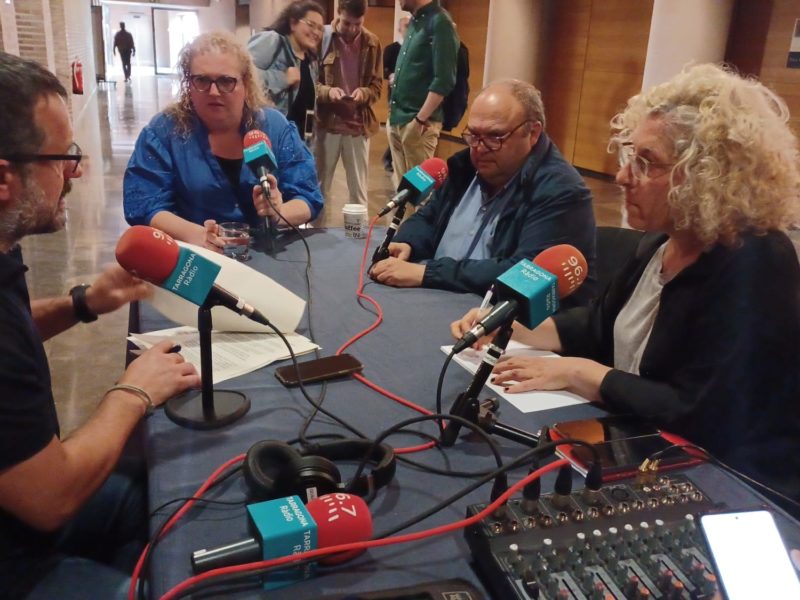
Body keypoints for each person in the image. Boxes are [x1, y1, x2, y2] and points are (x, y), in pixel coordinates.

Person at [452, 64, 800, 508]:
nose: (621, 177)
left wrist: (583, 373)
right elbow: (601, 324)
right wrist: (515, 328)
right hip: (644, 444)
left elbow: (701, 411)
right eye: (629, 156)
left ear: (708, 174)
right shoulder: (661, 240)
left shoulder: (755, 260)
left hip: (735, 485)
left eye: (646, 162)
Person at [0, 52, 200, 599]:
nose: (78, 170)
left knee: (177, 503)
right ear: (4, 179)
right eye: (63, 156)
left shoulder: (3, 246)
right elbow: (51, 499)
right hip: (18, 561)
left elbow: (15, 329)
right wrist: (133, 391)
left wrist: (85, 302)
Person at [371, 79, 597, 302]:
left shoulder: (561, 192)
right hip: (432, 297)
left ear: (533, 133)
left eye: (494, 137)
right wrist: (408, 243)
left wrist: (428, 273)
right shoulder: (464, 167)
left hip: (486, 317)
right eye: (473, 135)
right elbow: (429, 218)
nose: (478, 148)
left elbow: (524, 275)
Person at [124, 31, 323, 249]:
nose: (213, 91)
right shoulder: (163, 131)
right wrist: (195, 234)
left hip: (266, 257)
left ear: (245, 83)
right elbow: (144, 204)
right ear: (188, 82)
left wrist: (278, 211)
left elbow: (308, 197)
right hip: (196, 259)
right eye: (201, 80)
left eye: (226, 81)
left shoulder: (275, 127)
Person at [314, 0, 382, 208]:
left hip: (358, 126)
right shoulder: (322, 39)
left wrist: (364, 92)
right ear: (337, 13)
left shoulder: (372, 43)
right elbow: (309, 83)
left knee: (358, 194)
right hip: (327, 125)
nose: (352, 29)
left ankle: (358, 238)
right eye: (346, 23)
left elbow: (377, 86)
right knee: (319, 190)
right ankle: (316, 239)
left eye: (358, 24)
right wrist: (327, 92)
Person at [387, 0, 459, 187]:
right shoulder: (415, 21)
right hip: (398, 119)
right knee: (402, 194)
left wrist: (419, 120)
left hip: (417, 124)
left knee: (417, 195)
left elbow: (444, 80)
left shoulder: (440, 22)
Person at [248, 1, 325, 139]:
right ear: (293, 23)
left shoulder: (310, 60)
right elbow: (241, 75)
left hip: (298, 143)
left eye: (320, 28)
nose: (316, 32)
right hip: (268, 139)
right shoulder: (272, 41)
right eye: (311, 25)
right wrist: (283, 78)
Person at [381, 15, 410, 172]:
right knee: (395, 128)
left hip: (410, 98)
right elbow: (384, 70)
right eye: (405, 25)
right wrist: (392, 75)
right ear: (399, 28)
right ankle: (389, 157)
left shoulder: (413, 48)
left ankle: (391, 157)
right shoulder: (392, 49)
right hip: (394, 93)